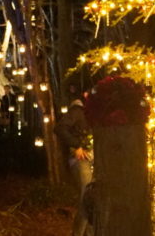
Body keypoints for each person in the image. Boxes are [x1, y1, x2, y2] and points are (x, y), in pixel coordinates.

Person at [55, 99, 92, 236]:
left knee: (91, 198)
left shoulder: (93, 114)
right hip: (81, 159)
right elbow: (59, 128)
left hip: (92, 159)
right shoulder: (77, 111)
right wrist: (76, 145)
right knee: (87, 196)